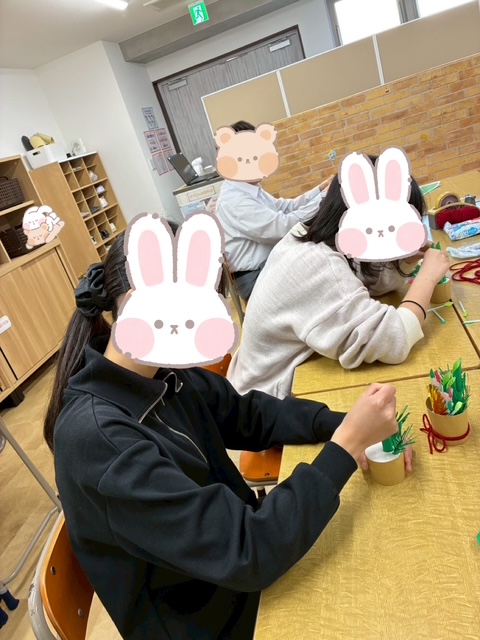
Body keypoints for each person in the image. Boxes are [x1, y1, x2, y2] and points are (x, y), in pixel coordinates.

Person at [44, 231, 400, 640]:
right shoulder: (99, 441)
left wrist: (346, 424)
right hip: (215, 618)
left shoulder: (162, 371)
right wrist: (346, 446)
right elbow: (248, 550)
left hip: (235, 575)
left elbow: (249, 415)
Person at [227, 159, 450, 402]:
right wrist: (427, 277)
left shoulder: (316, 235)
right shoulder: (317, 263)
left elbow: (368, 283)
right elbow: (394, 339)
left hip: (272, 380)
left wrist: (406, 259)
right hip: (263, 403)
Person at [215, 120, 333, 301]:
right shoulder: (235, 200)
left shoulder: (247, 187)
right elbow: (282, 227)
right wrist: (324, 197)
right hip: (257, 277)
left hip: (270, 265)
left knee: (324, 254)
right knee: (323, 264)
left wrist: (319, 190)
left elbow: (284, 207)